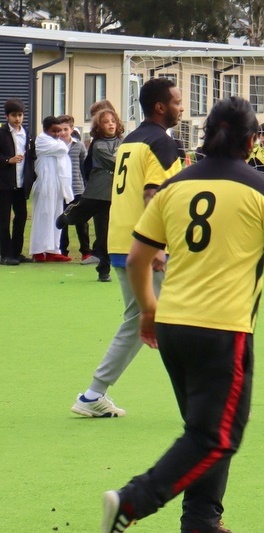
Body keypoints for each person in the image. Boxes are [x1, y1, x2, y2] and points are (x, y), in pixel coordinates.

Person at [101, 96, 264, 533]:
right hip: (222, 331)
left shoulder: (175, 186)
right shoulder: (263, 189)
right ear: (252, 142)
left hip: (172, 326)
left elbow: (138, 259)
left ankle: (201, 521)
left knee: (203, 431)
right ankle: (130, 502)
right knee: (219, 437)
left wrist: (147, 309)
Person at [70, 77, 183, 418]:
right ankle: (205, 402)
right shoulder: (162, 143)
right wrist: (158, 246)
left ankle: (92, 395)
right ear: (161, 107)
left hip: (122, 242)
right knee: (174, 318)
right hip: (145, 247)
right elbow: (153, 195)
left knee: (141, 321)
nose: (182, 107)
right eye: (177, 101)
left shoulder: (130, 141)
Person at [56, 108, 124, 282]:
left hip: (112, 194)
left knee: (105, 234)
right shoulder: (99, 144)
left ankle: (104, 269)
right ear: (99, 127)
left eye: (113, 121)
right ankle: (67, 217)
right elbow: (116, 161)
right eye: (106, 122)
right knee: (81, 211)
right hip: (96, 190)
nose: (110, 124)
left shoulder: (123, 142)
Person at [31, 115, 73, 262]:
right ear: (45, 129)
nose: (57, 134)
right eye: (54, 131)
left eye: (59, 131)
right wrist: (62, 144)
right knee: (43, 215)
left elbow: (62, 149)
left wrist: (61, 144)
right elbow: (62, 149)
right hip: (45, 183)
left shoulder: (55, 141)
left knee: (56, 215)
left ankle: (53, 250)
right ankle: (38, 250)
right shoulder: (41, 140)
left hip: (58, 183)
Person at [0, 98, 35, 265]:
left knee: (21, 217)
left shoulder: (26, 133)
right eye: (14, 115)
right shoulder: (2, 133)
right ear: (7, 116)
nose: (17, 119)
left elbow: (31, 157)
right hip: (4, 184)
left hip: (21, 184)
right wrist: (8, 161)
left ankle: (16, 252)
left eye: (20, 115)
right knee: (4, 219)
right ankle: (5, 254)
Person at [56, 115, 92, 263]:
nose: (63, 132)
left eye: (66, 129)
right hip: (61, 189)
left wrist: (86, 187)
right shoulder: (55, 145)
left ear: (72, 129)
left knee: (81, 221)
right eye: (60, 130)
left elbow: (84, 167)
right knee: (62, 220)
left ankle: (86, 251)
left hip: (77, 189)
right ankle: (62, 250)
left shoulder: (79, 146)